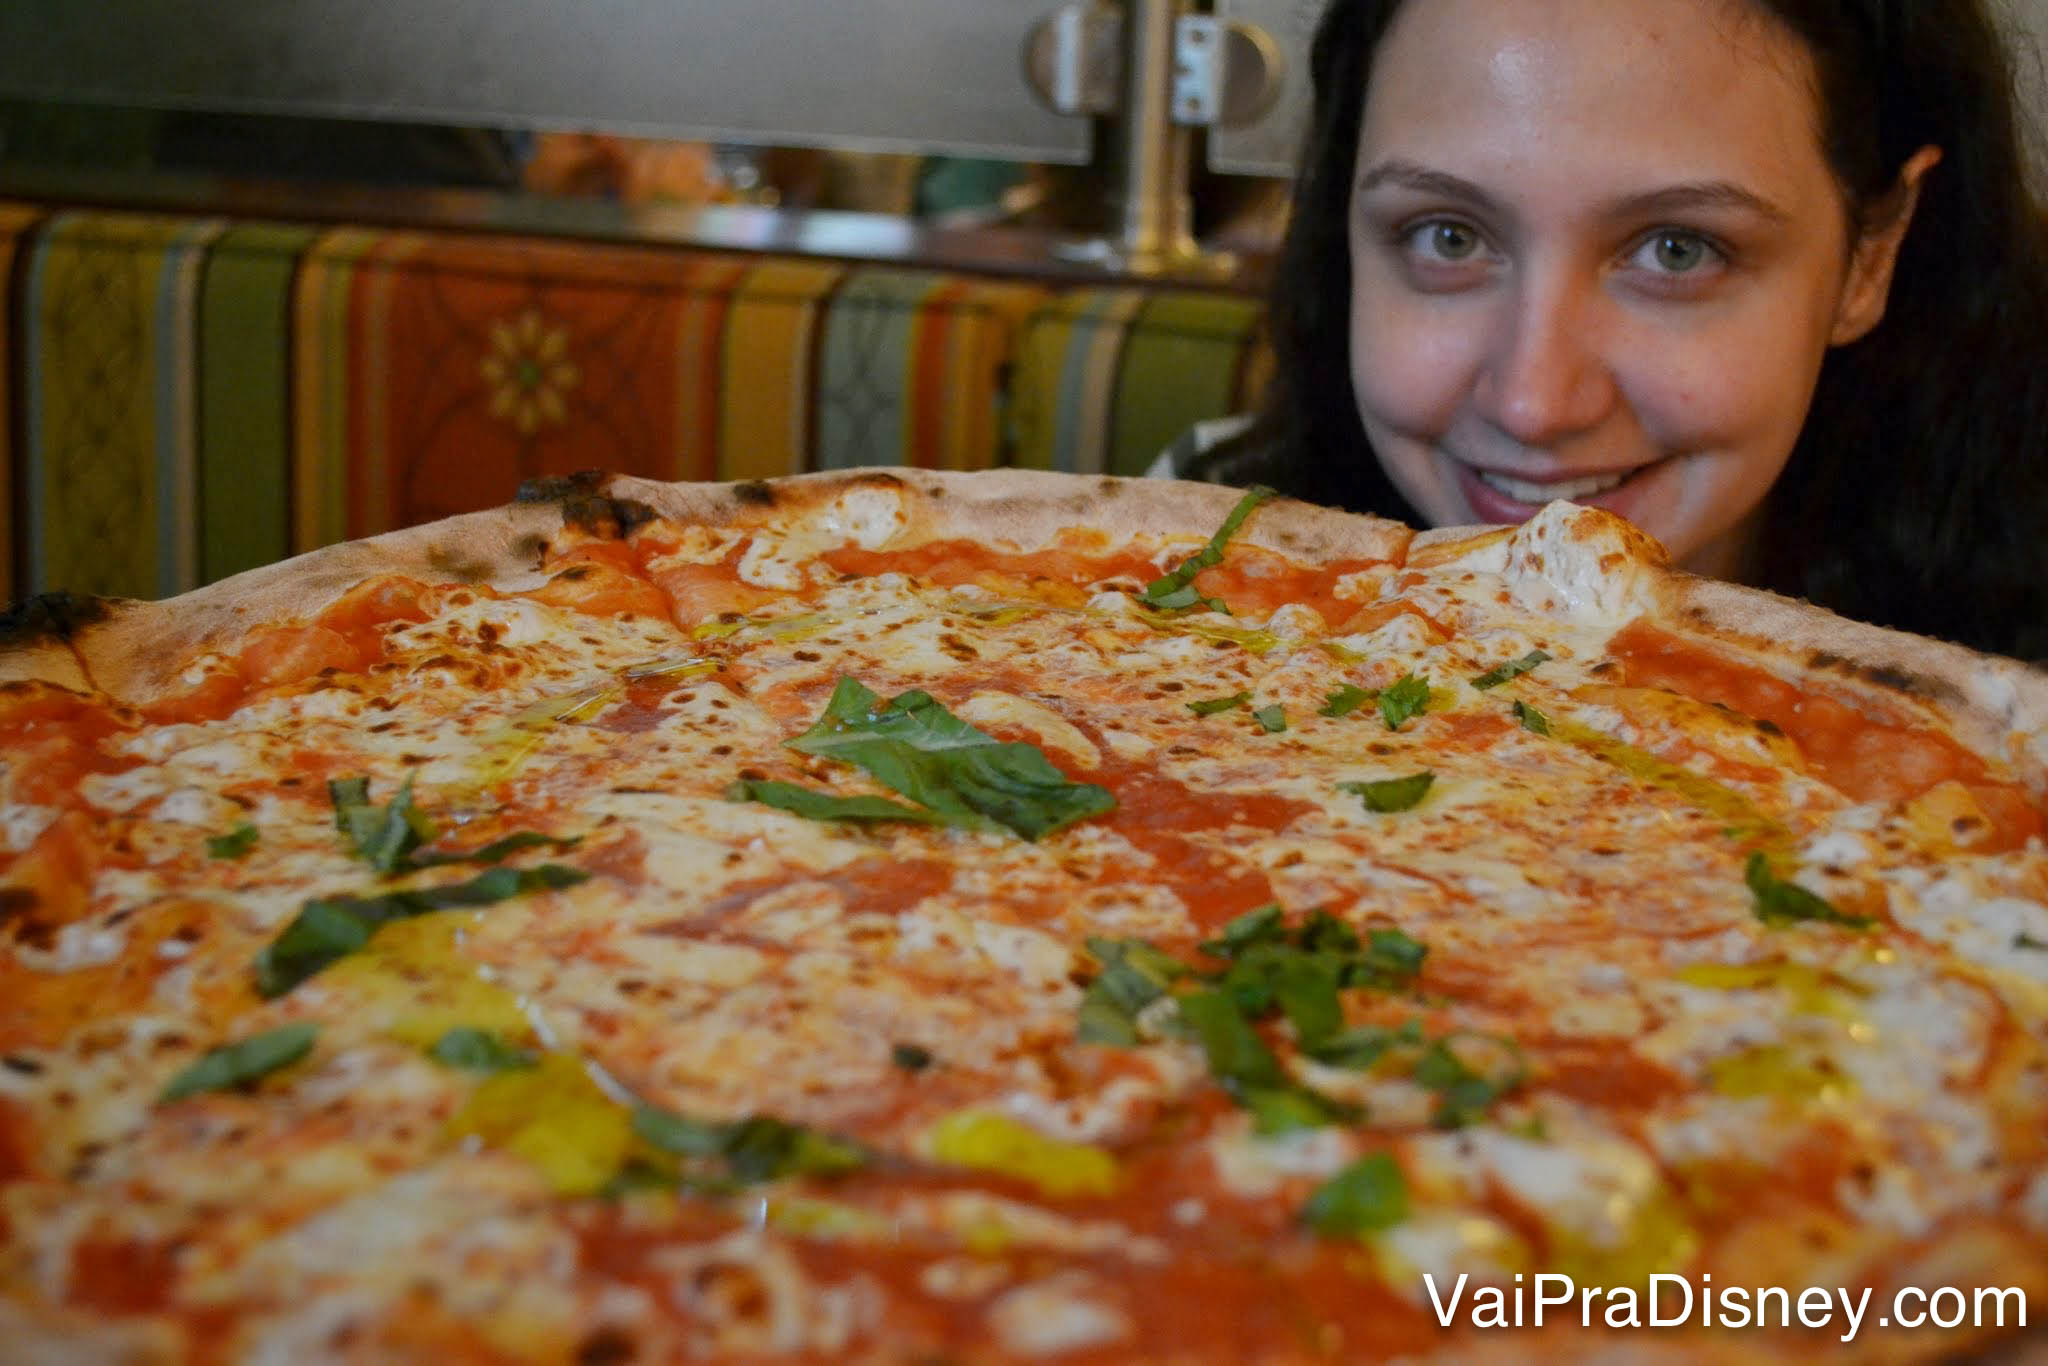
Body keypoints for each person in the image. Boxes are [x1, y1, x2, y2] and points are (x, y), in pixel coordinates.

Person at [1160, 0, 2048, 660]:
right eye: (1449, 236)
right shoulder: (1193, 536)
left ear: (1871, 255)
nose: (1533, 403)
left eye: (1677, 250)